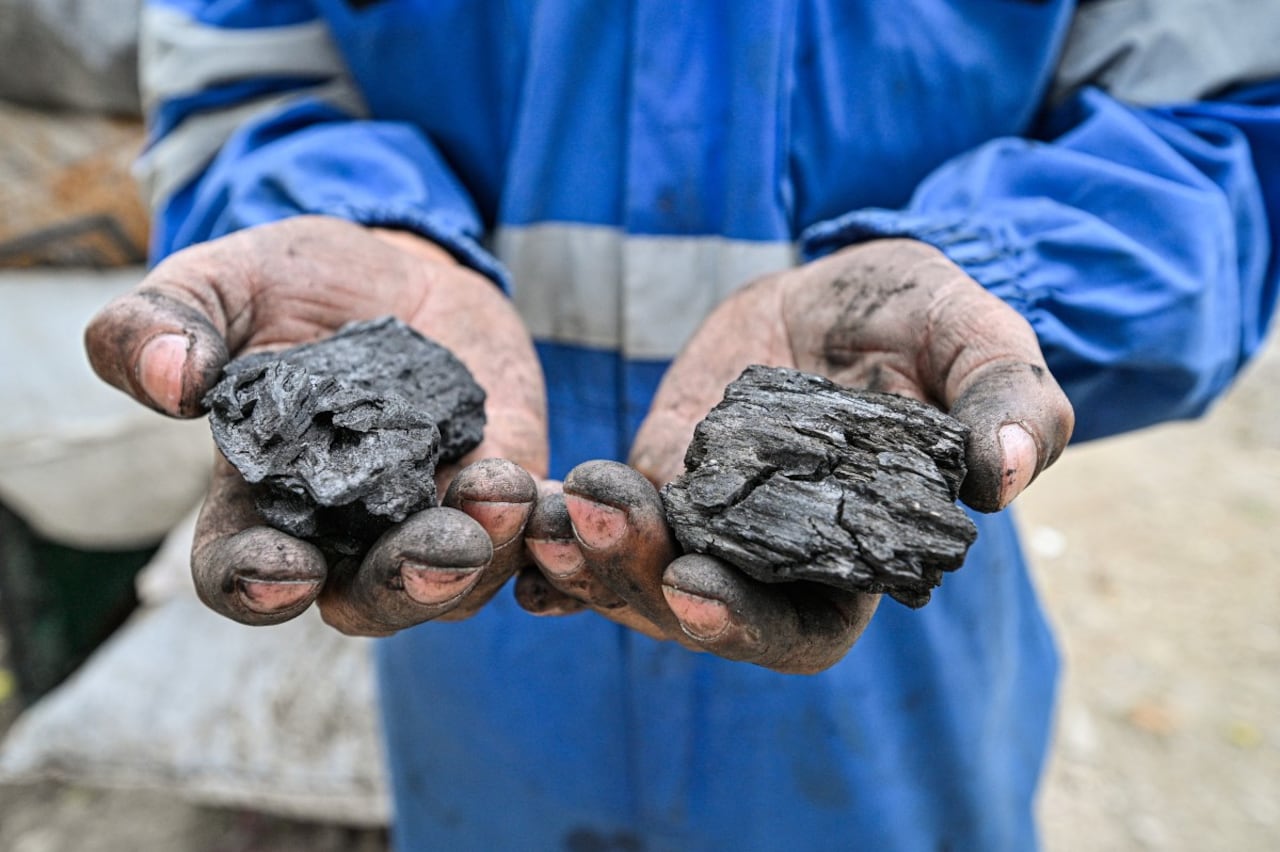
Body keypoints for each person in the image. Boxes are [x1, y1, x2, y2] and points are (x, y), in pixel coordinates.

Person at [85, 1, 1279, 849]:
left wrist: (996, 275)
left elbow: (1222, 129)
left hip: (881, 596)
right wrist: (334, 219)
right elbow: (248, 78)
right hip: (482, 551)